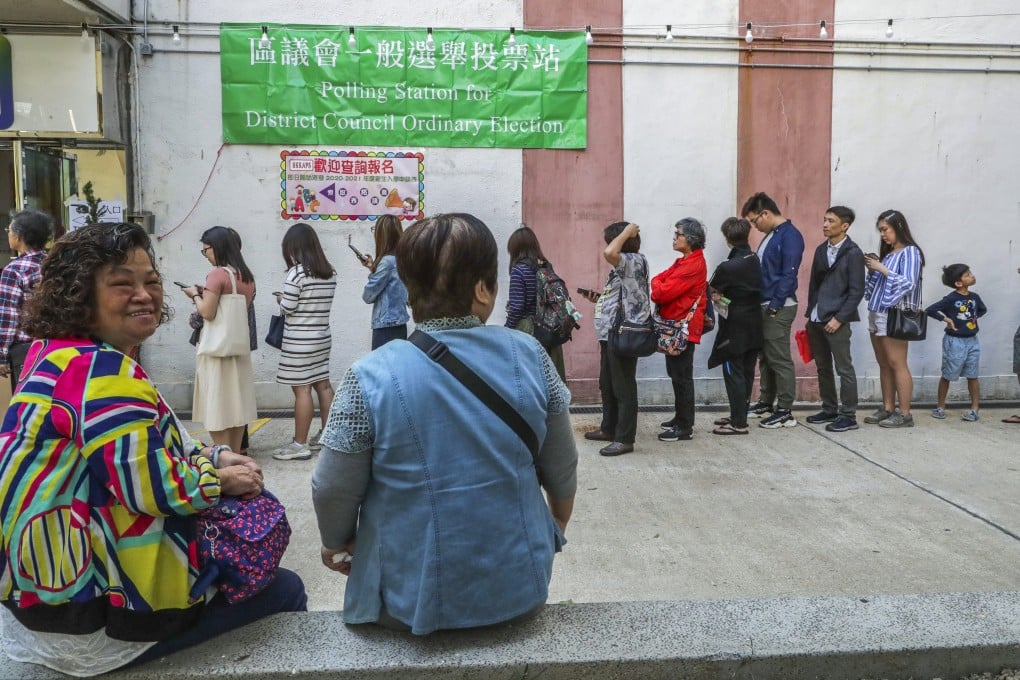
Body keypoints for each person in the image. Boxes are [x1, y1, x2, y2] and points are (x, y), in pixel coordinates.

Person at [0, 222, 306, 677]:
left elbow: (146, 442)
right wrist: (220, 478)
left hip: (41, 602)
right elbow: (157, 490)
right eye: (122, 283)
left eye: (152, 281)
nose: (143, 294)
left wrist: (213, 455)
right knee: (286, 589)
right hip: (95, 625)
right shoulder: (101, 375)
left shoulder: (55, 354)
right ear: (79, 294)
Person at [312, 213, 576, 634]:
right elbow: (561, 467)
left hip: (407, 602)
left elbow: (330, 486)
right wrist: (554, 525)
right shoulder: (531, 356)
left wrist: (337, 541)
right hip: (520, 590)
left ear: (410, 290)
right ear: (483, 290)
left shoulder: (369, 375)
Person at [183, 226, 257, 453]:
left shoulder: (217, 274)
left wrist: (195, 294)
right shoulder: (246, 276)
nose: (206, 255)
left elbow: (207, 312)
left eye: (206, 250)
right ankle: (235, 457)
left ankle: (225, 459)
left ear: (217, 247)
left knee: (215, 408)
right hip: (237, 350)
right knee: (236, 411)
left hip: (216, 350)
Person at [580, 221, 651, 456]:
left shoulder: (633, 260)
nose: (608, 245)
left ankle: (624, 438)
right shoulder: (624, 266)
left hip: (625, 333)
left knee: (623, 387)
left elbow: (610, 252)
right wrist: (599, 299)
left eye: (612, 240)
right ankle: (608, 428)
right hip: (610, 332)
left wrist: (627, 232)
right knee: (608, 384)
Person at [272, 223, 338, 460]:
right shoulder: (329, 271)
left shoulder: (297, 273)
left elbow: (288, 307)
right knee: (323, 385)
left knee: (302, 391)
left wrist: (281, 299)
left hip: (299, 340)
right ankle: (326, 437)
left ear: (294, 247)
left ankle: (299, 445)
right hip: (322, 337)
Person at [741, 192, 805, 429]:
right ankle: (767, 401)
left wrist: (776, 305)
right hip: (765, 303)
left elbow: (789, 274)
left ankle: (785, 409)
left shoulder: (790, 236)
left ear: (765, 213)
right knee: (766, 357)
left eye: (754, 221)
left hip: (778, 305)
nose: (754, 227)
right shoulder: (772, 235)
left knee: (779, 358)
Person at [803, 206, 866, 433]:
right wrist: (811, 313)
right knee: (822, 367)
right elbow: (814, 285)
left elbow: (856, 291)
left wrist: (839, 319)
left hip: (837, 320)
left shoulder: (853, 252)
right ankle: (829, 408)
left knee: (844, 368)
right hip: (817, 318)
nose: (825, 224)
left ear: (845, 225)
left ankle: (848, 415)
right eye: (824, 219)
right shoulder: (821, 249)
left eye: (831, 221)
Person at [863, 209, 925, 428]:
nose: (883, 235)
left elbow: (908, 283)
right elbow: (877, 286)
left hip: (895, 312)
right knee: (884, 363)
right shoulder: (889, 254)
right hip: (878, 311)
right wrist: (874, 268)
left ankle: (905, 413)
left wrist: (881, 268)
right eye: (880, 231)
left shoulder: (910, 252)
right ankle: (888, 407)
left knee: (897, 363)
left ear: (898, 227)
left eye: (885, 229)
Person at [651, 218, 708, 442]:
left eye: (678, 234)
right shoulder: (682, 261)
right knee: (675, 374)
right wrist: (659, 284)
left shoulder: (693, 265)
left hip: (682, 329)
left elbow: (660, 293)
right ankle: (680, 417)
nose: (674, 237)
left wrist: (658, 285)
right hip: (673, 328)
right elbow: (658, 280)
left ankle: (685, 426)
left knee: (682, 376)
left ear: (691, 239)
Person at [706, 218, 763, 435]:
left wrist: (722, 299)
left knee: (733, 372)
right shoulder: (754, 258)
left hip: (735, 326)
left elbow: (712, 290)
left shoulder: (728, 267)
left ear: (727, 238)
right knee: (747, 372)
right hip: (754, 323)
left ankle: (739, 423)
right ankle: (739, 414)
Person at [925, 263, 986, 422]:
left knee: (973, 375)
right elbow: (930, 310)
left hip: (973, 341)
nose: (972, 275)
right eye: (967, 274)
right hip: (954, 342)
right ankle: (940, 407)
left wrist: (971, 320)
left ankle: (974, 409)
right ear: (958, 283)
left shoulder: (975, 297)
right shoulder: (951, 298)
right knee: (948, 374)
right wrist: (946, 319)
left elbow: (982, 310)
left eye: (970, 273)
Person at [505, 225, 566, 380]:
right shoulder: (546, 267)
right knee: (551, 376)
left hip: (527, 330)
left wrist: (507, 328)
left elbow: (517, 307)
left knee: (529, 377)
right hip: (549, 327)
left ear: (515, 248)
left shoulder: (519, 270)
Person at [0, 210, 50, 391]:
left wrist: (2, 354)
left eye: (9, 230)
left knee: (27, 401)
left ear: (19, 236)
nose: (8, 234)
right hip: (56, 345)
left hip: (26, 349)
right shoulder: (53, 263)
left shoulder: (14, 270)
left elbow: (8, 316)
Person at [361, 214, 410, 349]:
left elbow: (368, 296)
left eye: (374, 230)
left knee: (381, 368)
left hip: (385, 326)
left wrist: (374, 273)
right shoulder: (401, 259)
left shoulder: (386, 262)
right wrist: (372, 268)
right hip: (399, 324)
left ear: (382, 235)